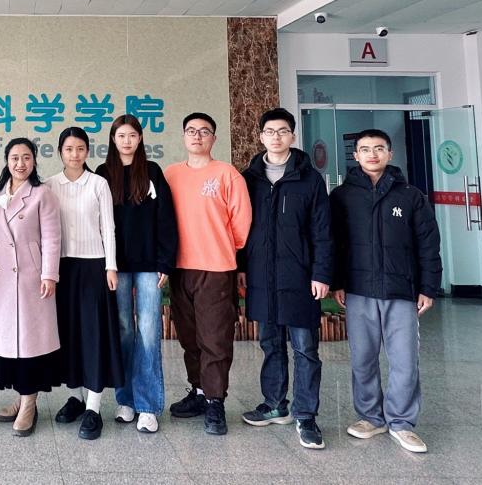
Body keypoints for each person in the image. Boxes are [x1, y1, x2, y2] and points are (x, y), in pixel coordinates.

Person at [331, 128, 441, 454]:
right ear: (356, 155)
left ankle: (402, 422)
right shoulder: (342, 196)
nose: (372, 154)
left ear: (390, 154)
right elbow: (334, 244)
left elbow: (428, 245)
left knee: (405, 360)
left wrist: (428, 287)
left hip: (401, 290)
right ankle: (370, 417)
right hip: (359, 289)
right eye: (365, 149)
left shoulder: (411, 196)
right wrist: (337, 282)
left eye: (379, 148)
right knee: (363, 359)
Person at [237, 108, 332, 449]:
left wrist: (321, 273)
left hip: (300, 276)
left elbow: (323, 231)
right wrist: (241, 267)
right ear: (260, 136)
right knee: (270, 342)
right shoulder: (249, 179)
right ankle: (275, 404)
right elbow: (240, 227)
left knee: (305, 348)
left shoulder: (310, 179)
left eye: (282, 131)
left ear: (293, 135)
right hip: (262, 274)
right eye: (269, 131)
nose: (276, 137)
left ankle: (306, 415)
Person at [164, 112, 251, 436]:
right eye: (191, 131)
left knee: (214, 338)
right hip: (179, 267)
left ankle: (216, 401)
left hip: (216, 268)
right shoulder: (171, 174)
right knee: (189, 336)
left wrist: (224, 248)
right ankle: (199, 392)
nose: (197, 136)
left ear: (214, 138)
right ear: (183, 136)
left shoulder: (227, 174)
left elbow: (241, 224)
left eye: (204, 131)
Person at [95, 114, 177, 434]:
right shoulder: (103, 174)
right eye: (121, 136)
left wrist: (165, 263)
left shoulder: (152, 171)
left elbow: (166, 219)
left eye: (132, 135)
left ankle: (148, 405)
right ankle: (125, 399)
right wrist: (105, 264)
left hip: (148, 266)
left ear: (140, 138)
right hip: (116, 267)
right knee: (123, 331)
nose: (126, 141)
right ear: (113, 140)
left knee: (148, 331)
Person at [48, 127, 125, 440]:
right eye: (69, 149)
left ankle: (94, 406)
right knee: (68, 334)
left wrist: (111, 266)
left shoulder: (98, 183)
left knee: (93, 335)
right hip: (62, 268)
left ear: (87, 152)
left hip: (94, 267)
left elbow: (109, 227)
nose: (74, 154)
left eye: (80, 148)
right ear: (60, 152)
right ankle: (76, 397)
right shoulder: (50, 185)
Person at [0, 138, 62, 437]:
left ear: (34, 161)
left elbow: (52, 238)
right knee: (11, 345)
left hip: (32, 278)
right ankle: (21, 398)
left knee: (31, 344)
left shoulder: (42, 194)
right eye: (15, 158)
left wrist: (49, 274)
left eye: (26, 157)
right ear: (6, 161)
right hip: (3, 280)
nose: (20, 163)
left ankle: (29, 403)